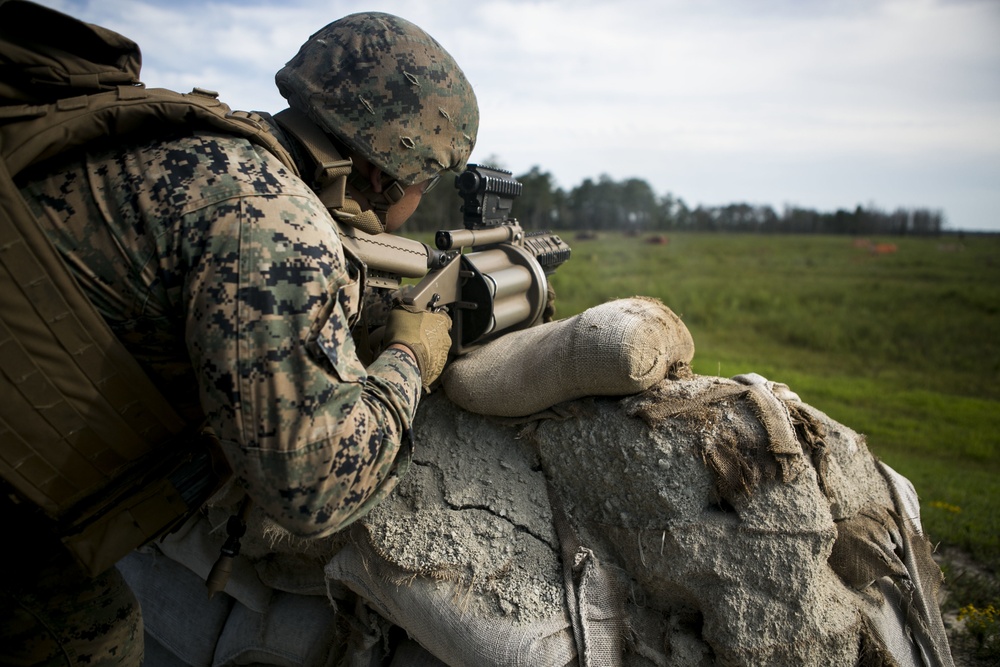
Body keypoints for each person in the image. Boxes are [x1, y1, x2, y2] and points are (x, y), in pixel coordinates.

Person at [0, 7, 478, 665]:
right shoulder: (272, 216)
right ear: (385, 172)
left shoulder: (198, 141)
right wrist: (408, 358)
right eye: (424, 182)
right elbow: (313, 486)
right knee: (95, 634)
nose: (419, 198)